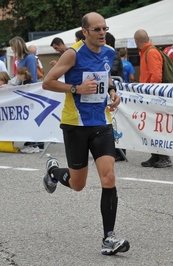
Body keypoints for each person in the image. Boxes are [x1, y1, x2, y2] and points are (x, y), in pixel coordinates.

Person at [42, 12, 130, 256]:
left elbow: (105, 78)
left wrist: (113, 92)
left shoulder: (109, 52)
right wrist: (76, 88)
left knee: (109, 177)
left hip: (102, 122)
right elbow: (48, 82)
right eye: (97, 29)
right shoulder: (72, 53)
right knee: (78, 184)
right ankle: (53, 171)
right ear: (85, 32)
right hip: (76, 125)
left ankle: (109, 238)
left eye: (104, 28)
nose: (102, 32)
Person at [134, 29, 171, 168]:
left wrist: (149, 92)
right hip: (151, 95)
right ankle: (156, 155)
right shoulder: (149, 51)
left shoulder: (150, 52)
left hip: (153, 96)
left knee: (157, 126)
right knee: (153, 127)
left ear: (136, 41)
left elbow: (156, 77)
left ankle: (164, 157)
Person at [105, 32, 126, 162]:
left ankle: (120, 151)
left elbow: (112, 70)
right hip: (111, 89)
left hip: (117, 90)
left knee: (118, 121)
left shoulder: (114, 54)